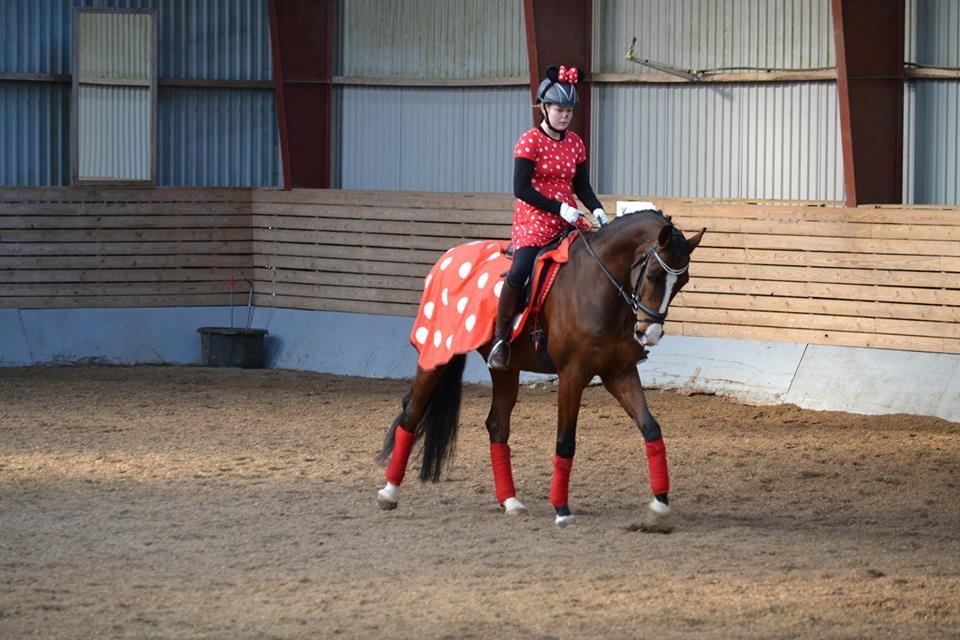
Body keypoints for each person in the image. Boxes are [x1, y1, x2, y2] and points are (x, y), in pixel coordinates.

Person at [487, 65, 608, 370]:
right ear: (543, 107)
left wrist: (596, 208)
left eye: (569, 110)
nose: (565, 115)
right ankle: (501, 340)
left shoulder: (575, 143)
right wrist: (557, 208)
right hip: (535, 219)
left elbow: (581, 185)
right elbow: (520, 188)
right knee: (521, 269)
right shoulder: (529, 142)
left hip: (569, 218)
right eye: (558, 109)